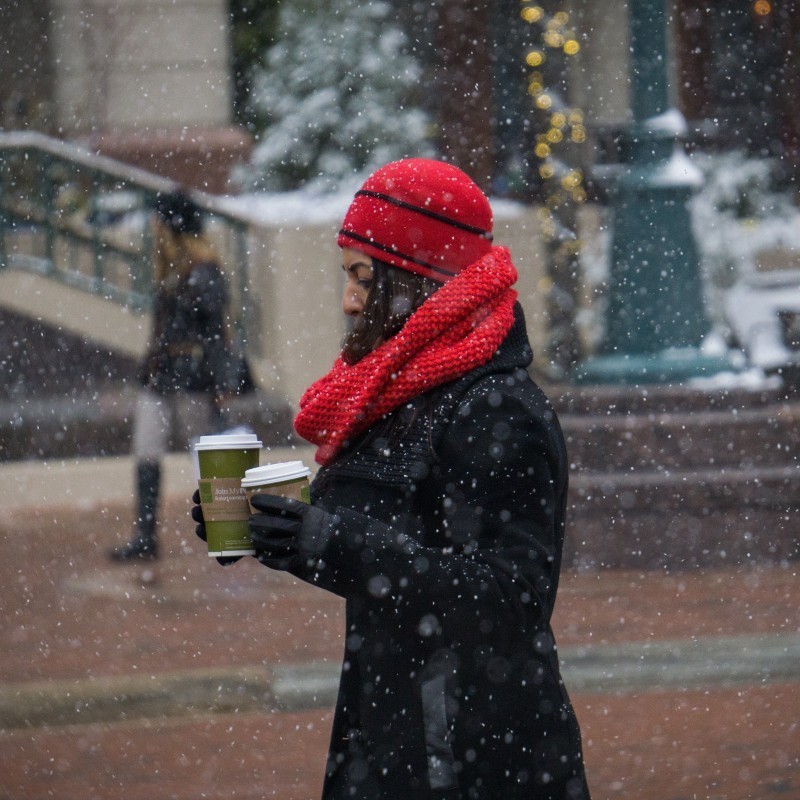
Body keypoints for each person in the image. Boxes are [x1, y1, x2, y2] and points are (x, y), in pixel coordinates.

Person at [193, 159, 592, 799]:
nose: (350, 299)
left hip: (474, 758)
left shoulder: (495, 408)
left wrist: (334, 544)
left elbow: (512, 599)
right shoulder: (408, 395)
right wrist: (280, 529)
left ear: (417, 278)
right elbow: (378, 543)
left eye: (362, 276)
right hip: (394, 734)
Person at [112, 189, 244, 561]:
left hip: (192, 377)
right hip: (160, 375)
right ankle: (145, 536)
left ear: (172, 227)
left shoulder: (204, 272)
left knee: (207, 454)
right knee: (146, 451)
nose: (152, 230)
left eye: (159, 223)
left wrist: (223, 382)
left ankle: (232, 533)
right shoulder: (170, 271)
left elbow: (219, 332)